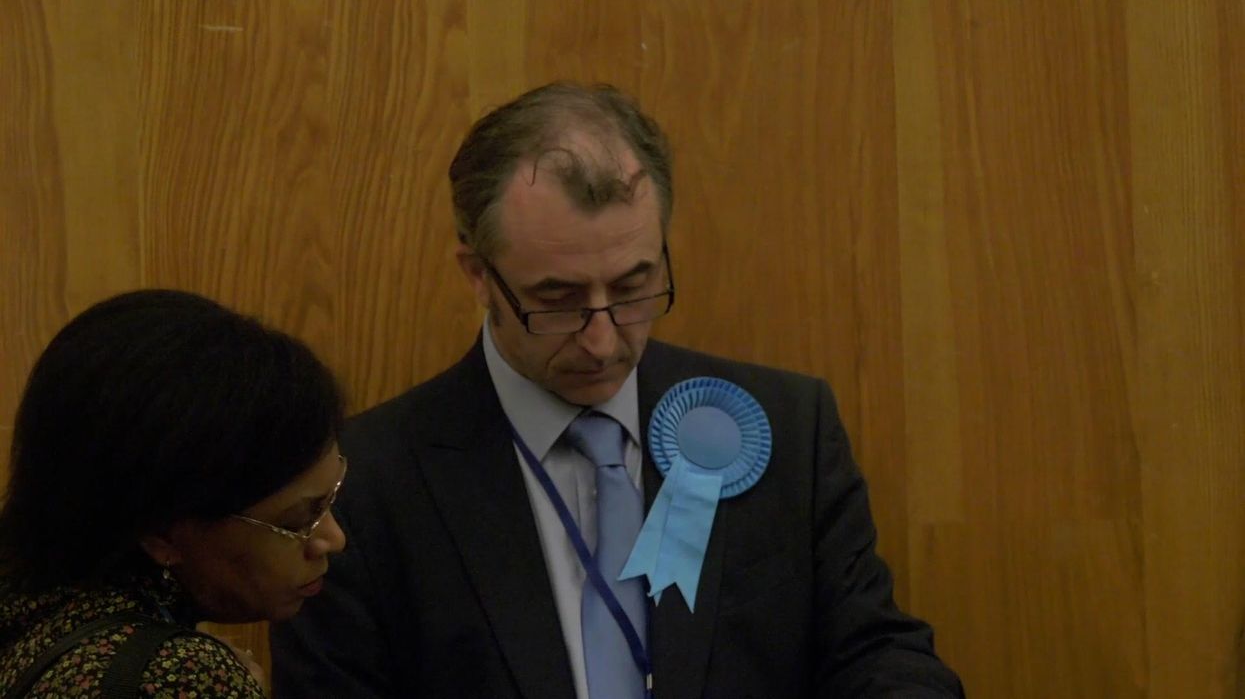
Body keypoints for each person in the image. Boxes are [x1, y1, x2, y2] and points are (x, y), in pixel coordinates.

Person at [271, 82, 964, 697]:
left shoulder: (784, 427)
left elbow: (873, 649)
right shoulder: (368, 485)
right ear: (477, 273)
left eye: (633, 289)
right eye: (558, 300)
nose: (603, 341)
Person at [0, 289, 347, 697]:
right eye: (298, 519)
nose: (333, 539)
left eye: (332, 497)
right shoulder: (176, 677)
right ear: (161, 534)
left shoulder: (30, 602)